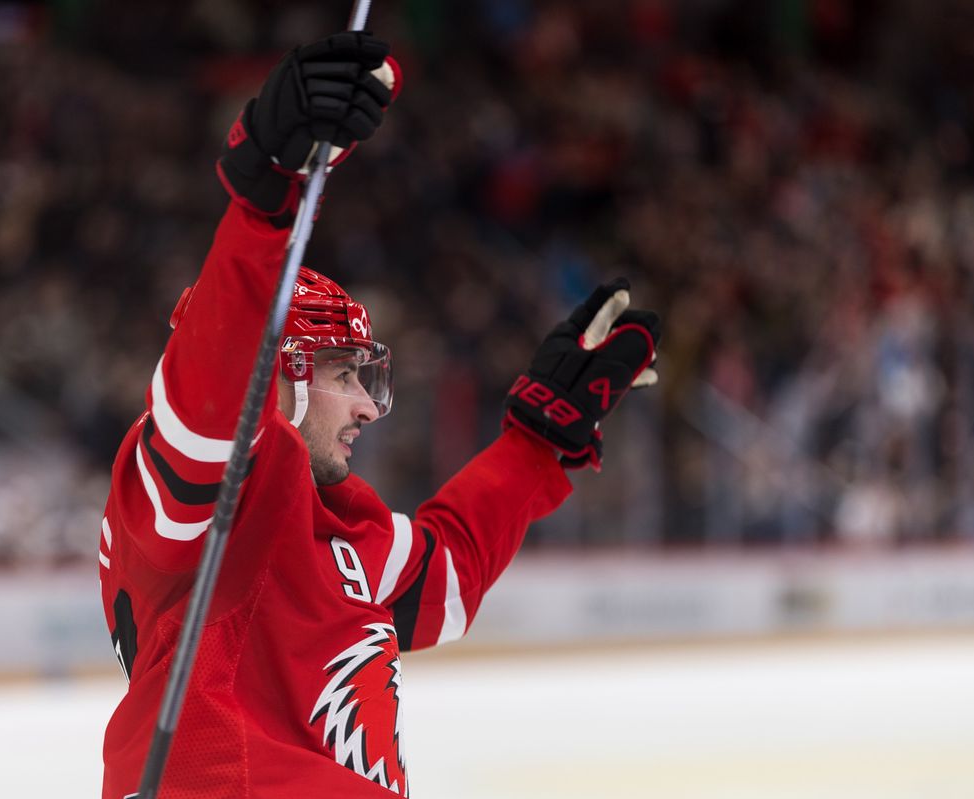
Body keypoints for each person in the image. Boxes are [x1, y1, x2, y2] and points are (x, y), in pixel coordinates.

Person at [98, 32, 660, 798]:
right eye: (342, 373)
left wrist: (535, 446)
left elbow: (444, 573)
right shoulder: (190, 512)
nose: (368, 404)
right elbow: (212, 396)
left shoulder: (342, 536)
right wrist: (267, 199)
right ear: (279, 372)